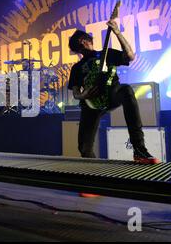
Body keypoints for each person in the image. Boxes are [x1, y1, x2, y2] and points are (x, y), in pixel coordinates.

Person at [68, 20, 160, 165]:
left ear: (87, 40)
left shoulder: (106, 53)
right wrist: (83, 95)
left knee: (126, 90)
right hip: (90, 103)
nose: (81, 44)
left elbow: (130, 56)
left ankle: (139, 150)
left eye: (81, 40)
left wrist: (117, 32)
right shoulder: (77, 67)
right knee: (84, 148)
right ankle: (95, 176)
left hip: (111, 94)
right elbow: (75, 93)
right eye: (77, 43)